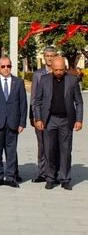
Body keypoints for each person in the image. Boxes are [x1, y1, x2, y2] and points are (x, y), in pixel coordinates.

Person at [32, 56, 83, 191]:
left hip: (66, 120)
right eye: (56, 70)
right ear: (52, 68)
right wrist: (38, 119)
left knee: (66, 150)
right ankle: (50, 178)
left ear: (65, 68)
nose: (59, 72)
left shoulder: (72, 80)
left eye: (62, 69)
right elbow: (37, 101)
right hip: (49, 120)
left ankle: (65, 178)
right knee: (49, 150)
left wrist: (79, 120)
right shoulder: (44, 80)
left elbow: (79, 102)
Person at [0, 56, 27, 188]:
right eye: (3, 66)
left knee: (11, 151)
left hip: (13, 122)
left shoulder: (18, 82)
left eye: (8, 66)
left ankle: (10, 176)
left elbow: (23, 104)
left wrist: (22, 123)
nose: (6, 69)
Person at [30, 46, 59, 183]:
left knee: (55, 145)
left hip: (56, 116)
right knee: (42, 145)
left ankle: (54, 172)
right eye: (47, 55)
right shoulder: (38, 74)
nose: (49, 58)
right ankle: (42, 172)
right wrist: (34, 117)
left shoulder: (60, 73)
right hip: (41, 116)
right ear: (44, 57)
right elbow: (34, 97)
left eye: (52, 56)